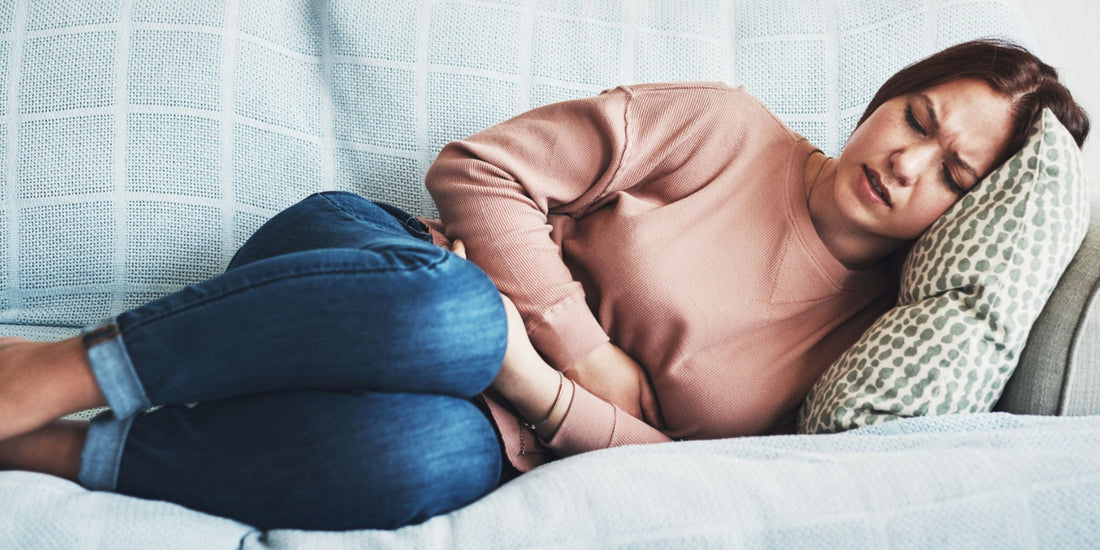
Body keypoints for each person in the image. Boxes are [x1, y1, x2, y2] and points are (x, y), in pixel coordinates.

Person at [0, 39, 1089, 531]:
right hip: (374, 275)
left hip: (497, 424)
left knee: (418, 460)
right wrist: (581, 350)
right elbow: (478, 171)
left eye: (953, 176)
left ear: (968, 218)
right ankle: (47, 371)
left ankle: (54, 451)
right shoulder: (727, 129)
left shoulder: (863, 351)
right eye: (916, 118)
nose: (907, 162)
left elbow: (683, 469)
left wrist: (534, 385)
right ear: (885, 97)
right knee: (454, 318)